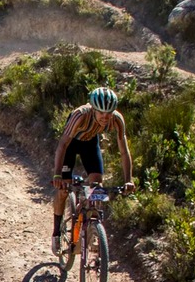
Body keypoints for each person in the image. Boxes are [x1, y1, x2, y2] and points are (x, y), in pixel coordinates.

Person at [50, 85, 134, 257]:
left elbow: (124, 151)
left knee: (97, 185)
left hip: (90, 144)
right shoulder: (80, 115)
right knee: (63, 190)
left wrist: (128, 180)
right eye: (101, 113)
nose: (105, 117)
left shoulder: (116, 119)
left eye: (108, 113)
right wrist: (58, 175)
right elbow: (62, 145)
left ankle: (92, 228)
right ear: (93, 109)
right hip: (71, 145)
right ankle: (56, 233)